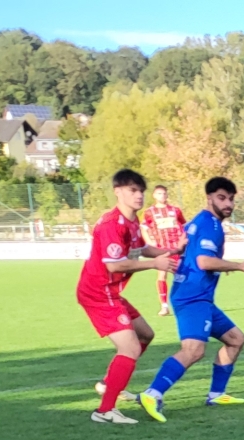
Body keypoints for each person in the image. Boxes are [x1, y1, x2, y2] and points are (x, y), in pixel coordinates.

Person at [138, 177, 244, 422]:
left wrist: (220, 265)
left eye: (231, 199)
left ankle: (216, 394)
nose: (228, 204)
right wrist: (239, 266)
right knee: (193, 350)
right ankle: (152, 393)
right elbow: (204, 261)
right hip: (193, 296)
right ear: (209, 198)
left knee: (235, 339)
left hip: (199, 296)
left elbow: (192, 253)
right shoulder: (210, 225)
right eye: (221, 198)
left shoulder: (198, 221)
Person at [76, 168, 178, 425]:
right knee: (130, 348)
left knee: (145, 335)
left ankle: (109, 384)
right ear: (118, 192)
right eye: (133, 190)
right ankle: (105, 411)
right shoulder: (112, 224)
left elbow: (141, 248)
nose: (139, 195)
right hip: (98, 293)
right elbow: (114, 265)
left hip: (110, 292)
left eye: (141, 190)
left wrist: (171, 251)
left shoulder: (132, 221)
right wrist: (155, 265)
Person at [139, 184, 187, 316]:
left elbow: (184, 226)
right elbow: (143, 228)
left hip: (177, 248)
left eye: (164, 193)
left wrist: (184, 241)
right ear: (154, 195)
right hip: (161, 248)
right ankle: (164, 306)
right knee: (162, 275)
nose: (162, 196)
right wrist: (149, 242)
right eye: (159, 193)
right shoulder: (149, 212)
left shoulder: (175, 210)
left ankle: (184, 304)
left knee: (181, 275)